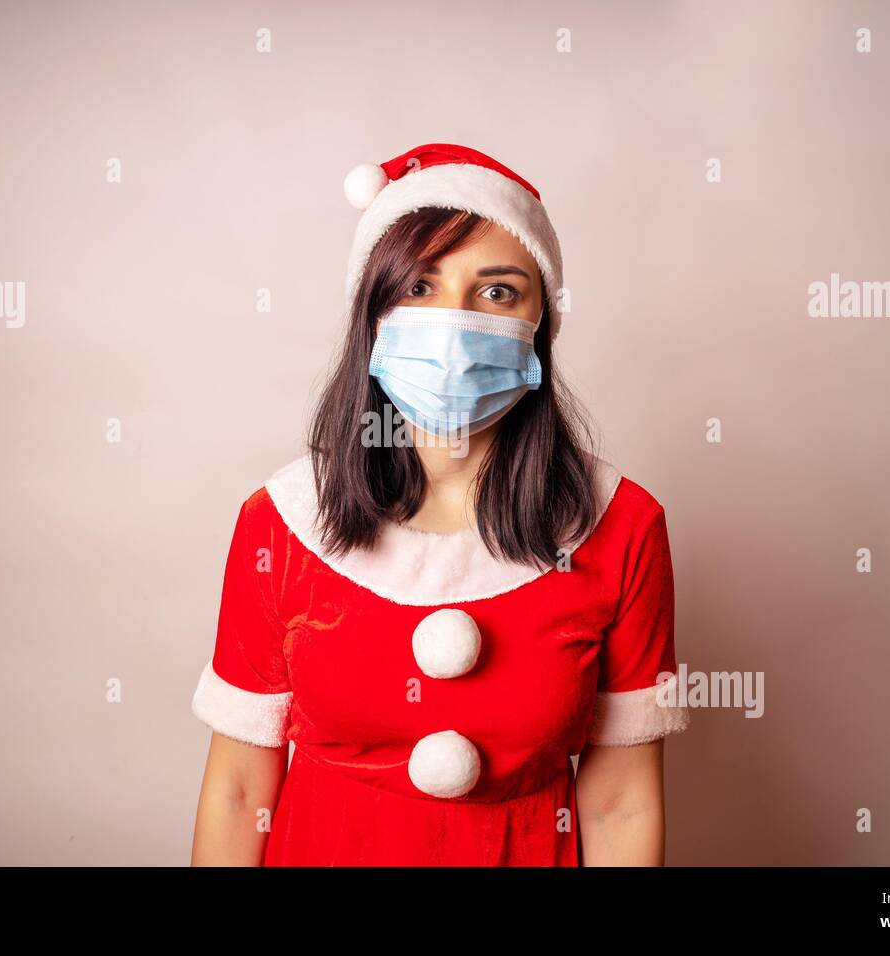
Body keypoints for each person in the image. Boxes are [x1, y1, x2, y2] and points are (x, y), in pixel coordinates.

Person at [190, 143, 689, 866]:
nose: (455, 327)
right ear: (374, 317)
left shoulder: (623, 527)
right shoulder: (279, 523)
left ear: (540, 328)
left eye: (497, 292)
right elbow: (238, 792)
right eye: (420, 288)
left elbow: (621, 804)